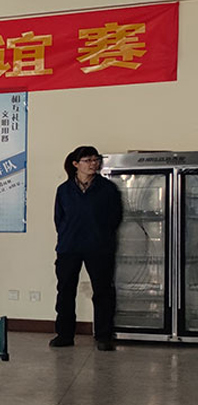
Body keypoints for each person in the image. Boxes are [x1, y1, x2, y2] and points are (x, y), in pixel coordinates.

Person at [51, 146, 122, 352]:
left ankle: (104, 336)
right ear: (76, 164)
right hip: (69, 247)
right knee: (65, 291)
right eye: (88, 160)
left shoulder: (107, 189)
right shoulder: (64, 190)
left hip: (99, 247)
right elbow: (59, 219)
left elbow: (115, 217)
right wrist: (68, 234)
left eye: (95, 159)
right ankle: (64, 335)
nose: (93, 164)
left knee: (103, 292)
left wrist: (102, 234)